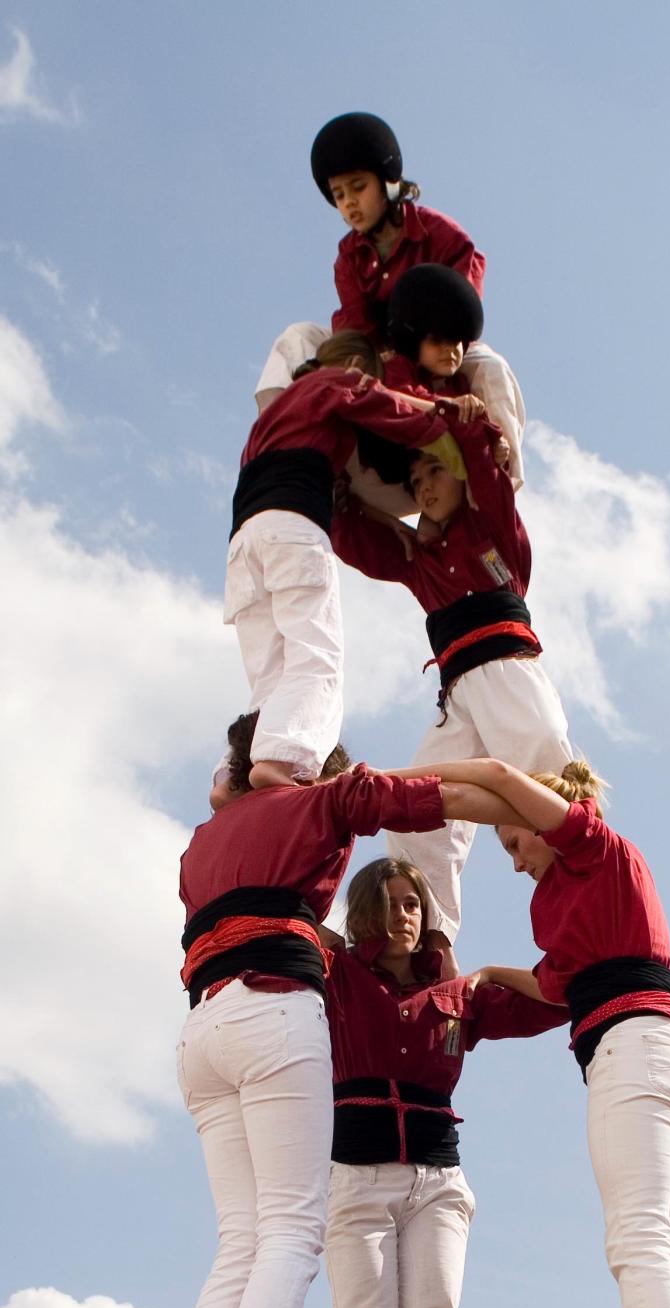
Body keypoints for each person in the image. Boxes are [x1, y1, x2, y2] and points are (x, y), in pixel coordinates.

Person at [161, 718, 532, 1308]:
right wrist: (533, 806)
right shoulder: (320, 808)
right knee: (290, 1232)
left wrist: (475, 974)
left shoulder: (203, 842)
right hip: (274, 1019)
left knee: (242, 1240)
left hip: (205, 1023)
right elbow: (431, 803)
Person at [401, 754, 670, 1308]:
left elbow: (497, 775)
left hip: (634, 1051)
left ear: (540, 821)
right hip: (660, 1055)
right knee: (664, 1249)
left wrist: (385, 784)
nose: (514, 863)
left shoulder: (595, 850)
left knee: (636, 1239)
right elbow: (555, 989)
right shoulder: (564, 898)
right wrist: (490, 974)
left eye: (513, 842)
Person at [322, 859, 563, 1308]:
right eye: (390, 903)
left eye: (412, 904)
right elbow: (290, 916)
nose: (403, 915)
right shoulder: (337, 974)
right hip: (360, 1182)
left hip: (438, 1182)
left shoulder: (456, 997)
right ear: (365, 912)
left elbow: (559, 995)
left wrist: (488, 973)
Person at [329, 416, 573, 944]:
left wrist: (464, 423)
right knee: (413, 815)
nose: (424, 487)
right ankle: (434, 943)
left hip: (509, 674)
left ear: (460, 473)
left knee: (550, 777)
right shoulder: (419, 560)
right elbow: (361, 544)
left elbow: (484, 469)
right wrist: (336, 497)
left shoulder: (491, 528)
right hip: (458, 697)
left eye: (434, 472)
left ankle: (587, 890)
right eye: (416, 482)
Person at [226, 333, 481, 793]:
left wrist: (384, 520)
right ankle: (283, 762)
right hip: (293, 530)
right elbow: (385, 405)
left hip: (245, 541)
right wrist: (447, 412)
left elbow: (341, 494)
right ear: (356, 366)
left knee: (271, 673)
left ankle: (232, 777)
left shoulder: (275, 416)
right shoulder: (335, 381)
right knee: (317, 656)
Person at [254, 115, 521, 485]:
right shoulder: (348, 257)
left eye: (358, 187)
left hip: (441, 352)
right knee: (298, 336)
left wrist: (423, 351)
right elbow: (356, 327)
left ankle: (500, 477)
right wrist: (364, 362)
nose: (349, 203)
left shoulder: (442, 234)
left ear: (388, 181)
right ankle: (281, 447)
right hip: (381, 358)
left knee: (491, 365)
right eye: (339, 195)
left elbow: (462, 311)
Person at [380, 264, 526, 491]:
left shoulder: (459, 383)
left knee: (493, 367)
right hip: (400, 465)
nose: (450, 350)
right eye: (437, 341)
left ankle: (506, 480)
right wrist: (448, 406)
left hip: (447, 474)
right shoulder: (399, 367)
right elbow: (397, 398)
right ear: (413, 342)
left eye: (456, 341)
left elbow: (470, 423)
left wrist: (495, 442)